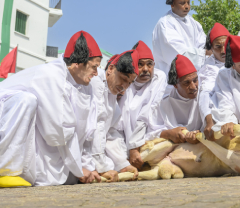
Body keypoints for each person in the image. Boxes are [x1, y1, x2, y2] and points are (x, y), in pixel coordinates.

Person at [0, 31, 102, 187]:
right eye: (94, 67)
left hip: (45, 134)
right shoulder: (51, 76)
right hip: (6, 114)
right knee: (26, 101)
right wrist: (79, 168)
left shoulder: (84, 86)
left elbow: (84, 132)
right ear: (78, 63)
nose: (96, 73)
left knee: (60, 178)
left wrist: (87, 166)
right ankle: (5, 169)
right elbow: (57, 131)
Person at [83, 50, 139, 182]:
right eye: (123, 79)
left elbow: (111, 134)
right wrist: (102, 167)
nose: (124, 87)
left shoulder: (112, 98)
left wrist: (123, 164)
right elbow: (97, 126)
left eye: (129, 83)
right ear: (111, 69)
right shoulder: (96, 82)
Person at [113, 41, 167, 170]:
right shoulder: (126, 83)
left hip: (148, 139)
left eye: (150, 64)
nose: (146, 70)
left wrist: (134, 148)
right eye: (140, 64)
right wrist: (123, 157)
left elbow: (146, 115)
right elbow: (118, 125)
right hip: (126, 146)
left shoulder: (158, 78)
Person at [152, 0, 208, 73]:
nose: (187, 7)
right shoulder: (165, 23)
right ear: (172, 5)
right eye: (182, 3)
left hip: (194, 75)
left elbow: (203, 42)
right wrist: (203, 54)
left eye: (188, 3)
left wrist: (206, 52)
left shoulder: (193, 22)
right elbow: (177, 53)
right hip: (171, 77)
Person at [147, 54, 203, 144]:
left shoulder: (203, 96)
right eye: (186, 83)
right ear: (175, 85)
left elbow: (212, 125)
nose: (193, 87)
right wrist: (169, 133)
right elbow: (149, 134)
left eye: (195, 80)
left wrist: (200, 135)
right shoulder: (163, 103)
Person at [197, 23, 230, 140]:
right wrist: (209, 122)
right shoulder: (209, 69)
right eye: (218, 47)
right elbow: (205, 94)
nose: (223, 51)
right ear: (211, 48)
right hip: (223, 117)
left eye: (226, 45)